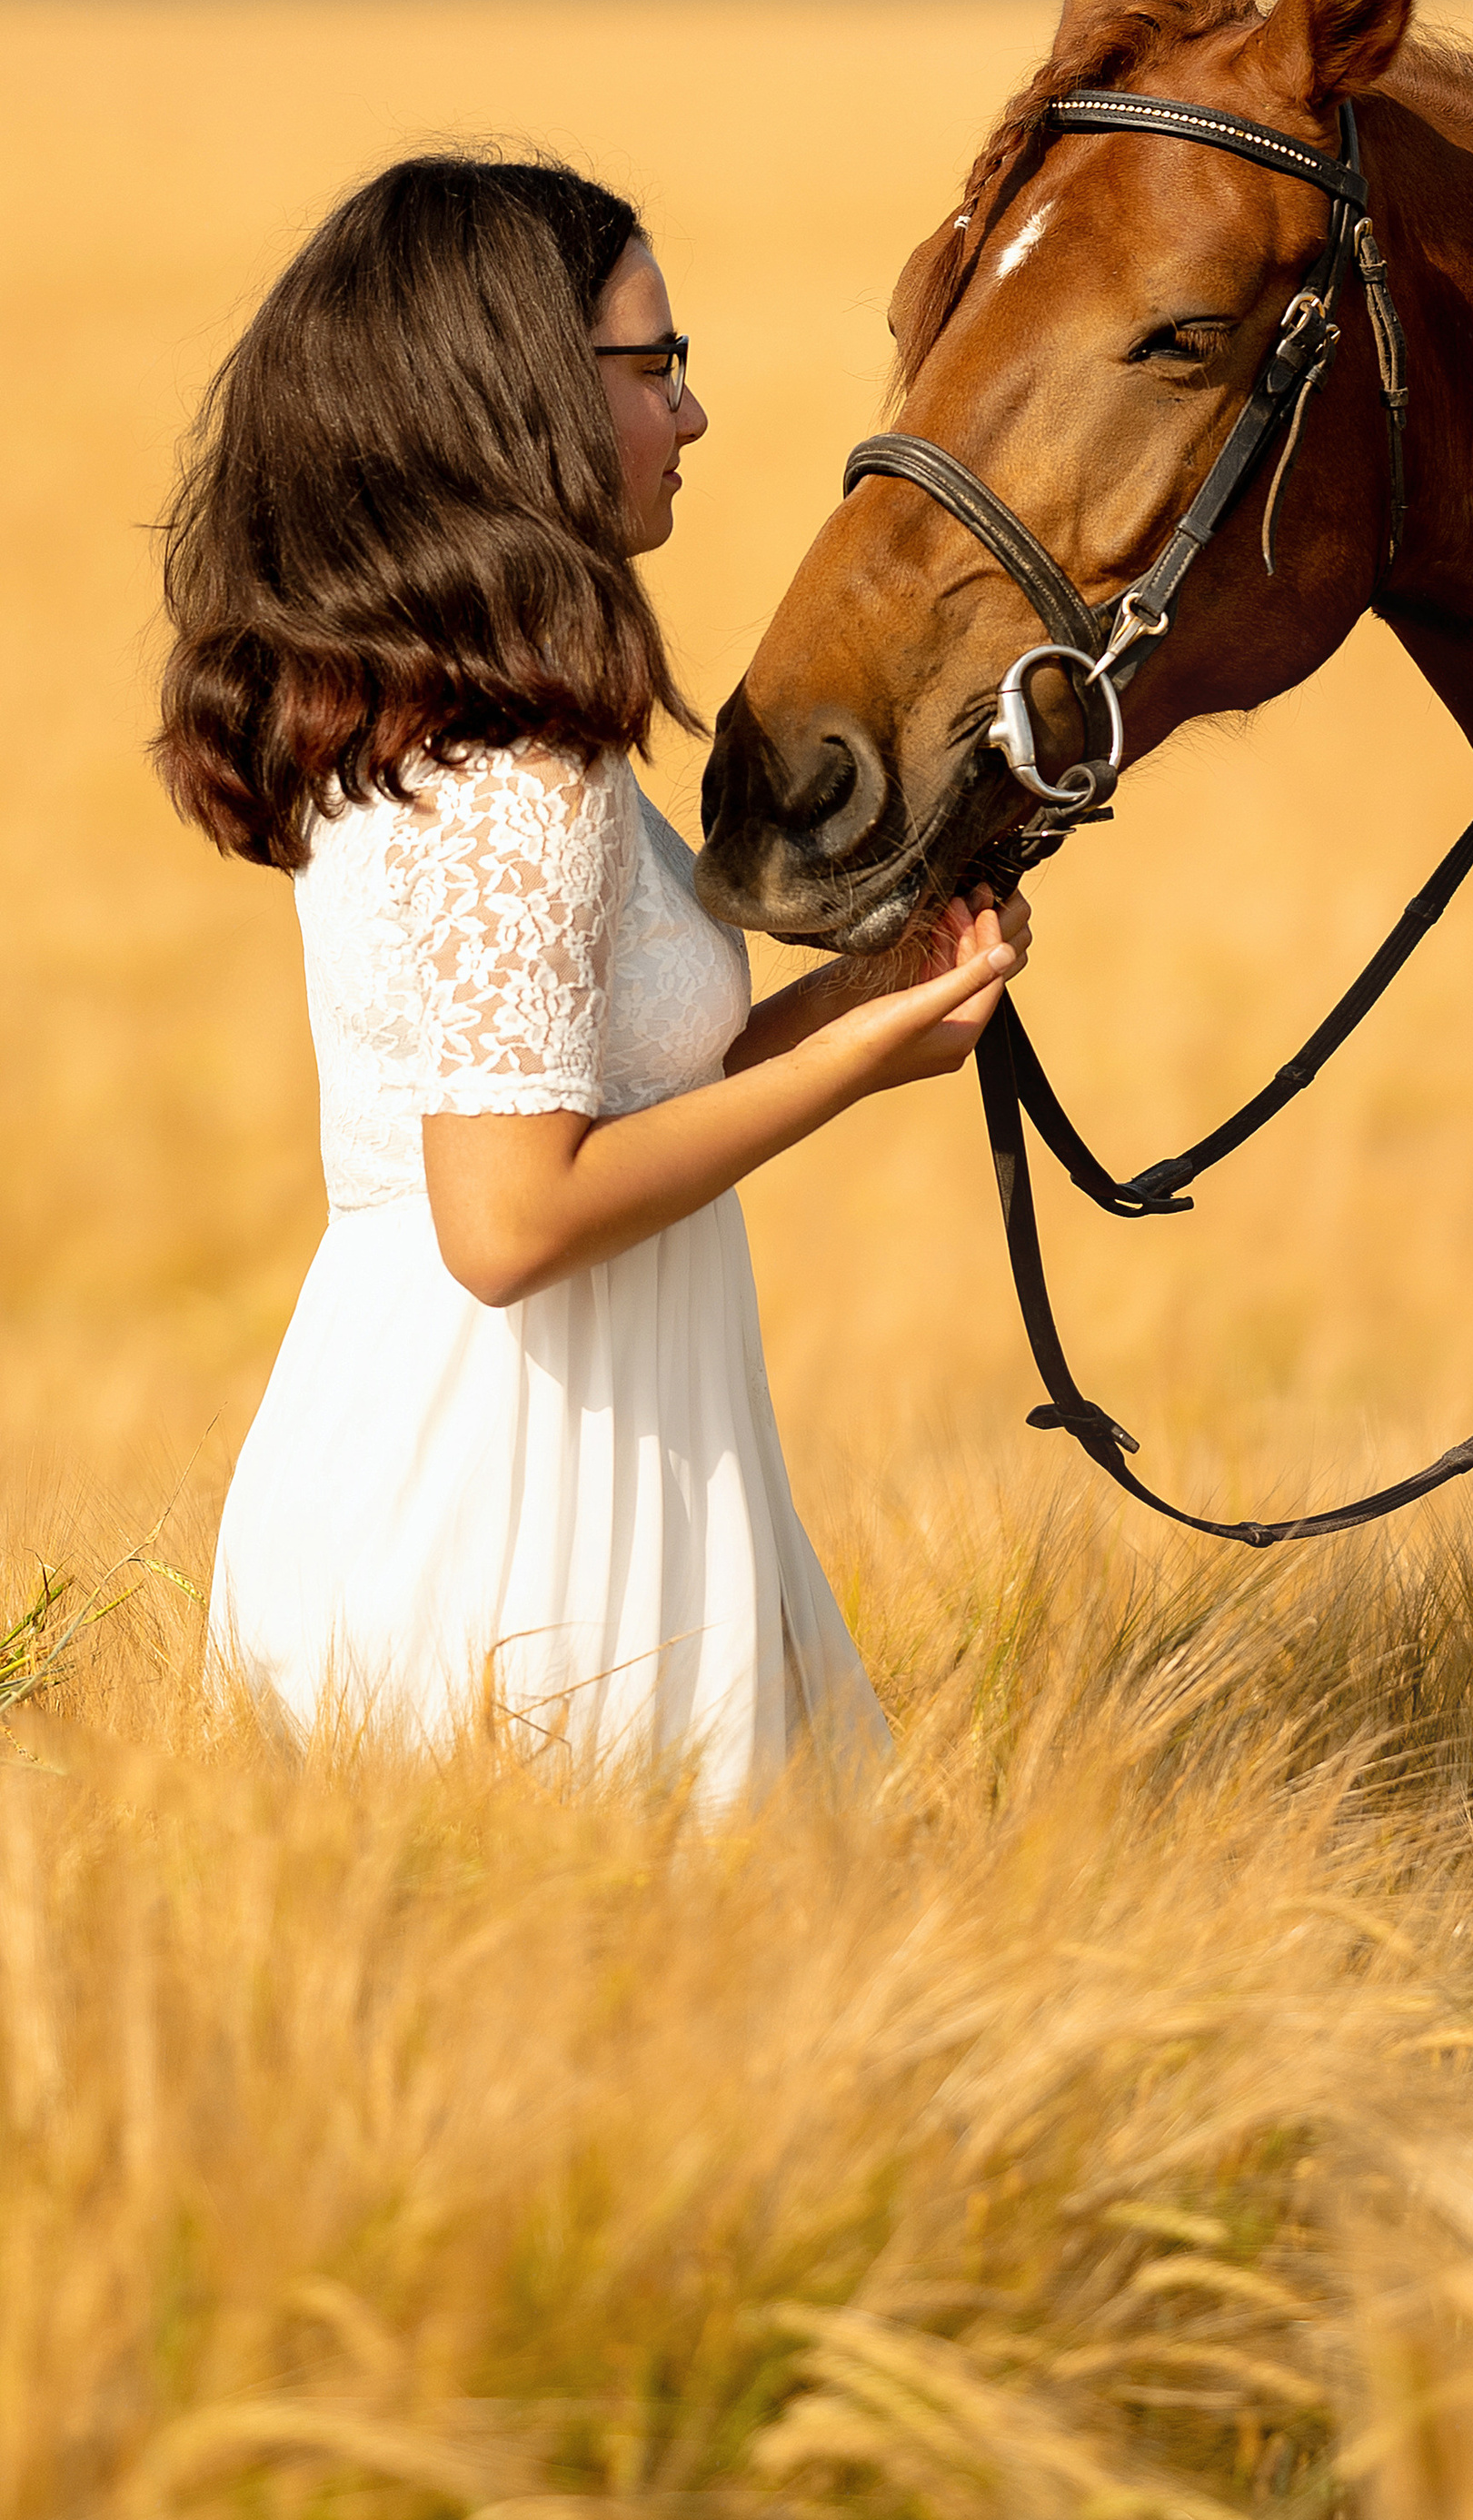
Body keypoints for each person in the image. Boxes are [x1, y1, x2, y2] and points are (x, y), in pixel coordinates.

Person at [155, 152, 1027, 1800]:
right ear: (524, 405)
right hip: (525, 1510)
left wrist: (865, 1009)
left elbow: (591, 1095)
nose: (692, 415)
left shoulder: (446, 733)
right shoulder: (519, 783)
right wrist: (845, 1067)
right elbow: (511, 1222)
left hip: (515, 1448)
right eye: (657, 368)